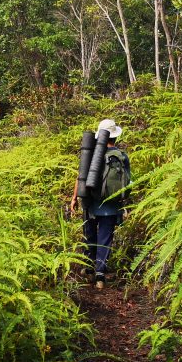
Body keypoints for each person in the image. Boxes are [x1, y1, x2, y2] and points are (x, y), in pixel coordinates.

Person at [70, 118, 130, 289]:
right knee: (105, 238)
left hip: (90, 203)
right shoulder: (122, 157)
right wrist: (126, 205)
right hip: (111, 205)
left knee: (90, 235)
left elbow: (80, 177)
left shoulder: (91, 155)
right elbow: (127, 182)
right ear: (115, 137)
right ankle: (100, 275)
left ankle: (88, 268)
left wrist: (75, 198)